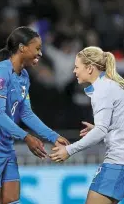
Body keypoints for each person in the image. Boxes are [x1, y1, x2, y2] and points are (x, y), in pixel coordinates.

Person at [0, 26, 70, 204]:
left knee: (13, 201)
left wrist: (53, 137)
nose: (40, 53)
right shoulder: (1, 73)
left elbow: (26, 113)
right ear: (22, 48)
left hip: (5, 148)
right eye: (37, 48)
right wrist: (26, 137)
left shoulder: (24, 77)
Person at [49, 46, 124, 204]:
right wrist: (102, 128)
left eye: (77, 67)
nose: (74, 71)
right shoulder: (111, 85)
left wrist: (69, 150)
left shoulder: (102, 90)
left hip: (118, 162)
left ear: (89, 68)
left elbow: (101, 130)